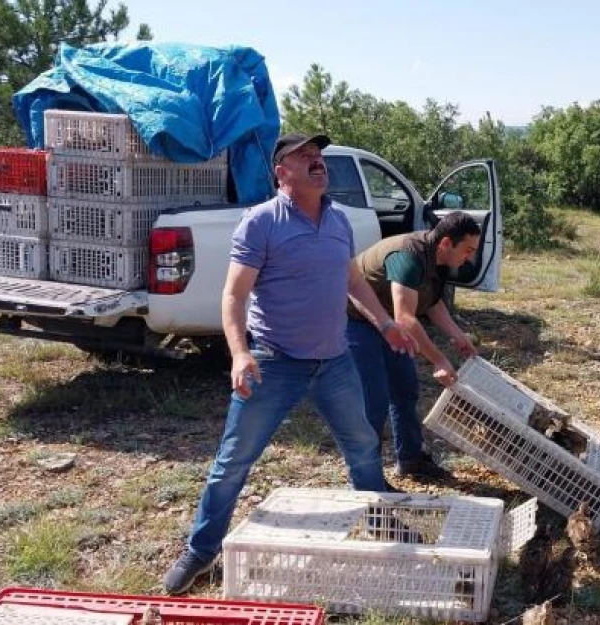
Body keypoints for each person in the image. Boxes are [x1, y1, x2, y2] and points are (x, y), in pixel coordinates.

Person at [162, 133, 415, 595]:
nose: (317, 162)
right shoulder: (260, 223)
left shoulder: (338, 219)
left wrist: (383, 324)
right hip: (274, 362)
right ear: (282, 172)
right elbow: (234, 295)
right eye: (304, 157)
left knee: (361, 444)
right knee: (233, 460)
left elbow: (351, 279)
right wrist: (240, 354)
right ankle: (201, 551)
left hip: (334, 360)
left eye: (318, 156)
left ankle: (379, 518)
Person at [346, 212, 481, 481]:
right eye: (468, 250)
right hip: (356, 318)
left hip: (390, 323)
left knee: (405, 390)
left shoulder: (440, 260)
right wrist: (439, 359)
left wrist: (457, 335)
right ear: (445, 243)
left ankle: (411, 460)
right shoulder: (408, 256)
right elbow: (406, 319)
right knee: (374, 400)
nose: (470, 257)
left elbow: (432, 303)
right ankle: (365, 476)